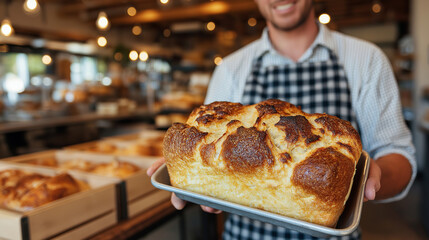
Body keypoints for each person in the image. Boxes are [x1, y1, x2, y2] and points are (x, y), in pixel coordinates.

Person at [147, 0, 417, 239]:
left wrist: (361, 187)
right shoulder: (231, 68)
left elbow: (399, 155)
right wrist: (200, 185)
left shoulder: (365, 59)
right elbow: (208, 153)